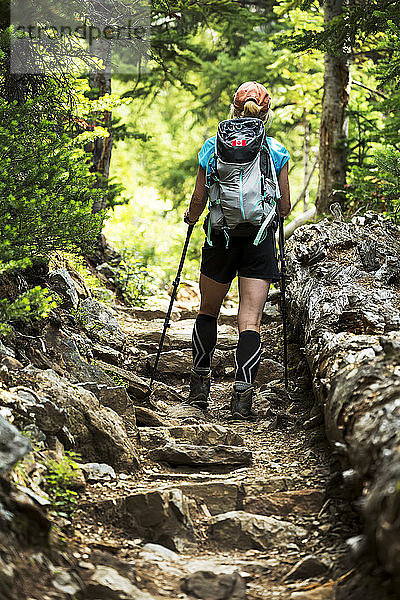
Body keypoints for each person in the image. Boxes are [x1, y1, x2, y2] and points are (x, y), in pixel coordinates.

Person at [183, 81, 291, 419]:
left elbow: (200, 198)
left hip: (220, 238)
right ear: (266, 112)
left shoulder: (212, 146)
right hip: (259, 241)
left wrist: (191, 216)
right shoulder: (275, 150)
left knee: (208, 311)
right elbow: (284, 206)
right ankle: (242, 396)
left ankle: (200, 385)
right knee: (250, 320)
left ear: (234, 108)